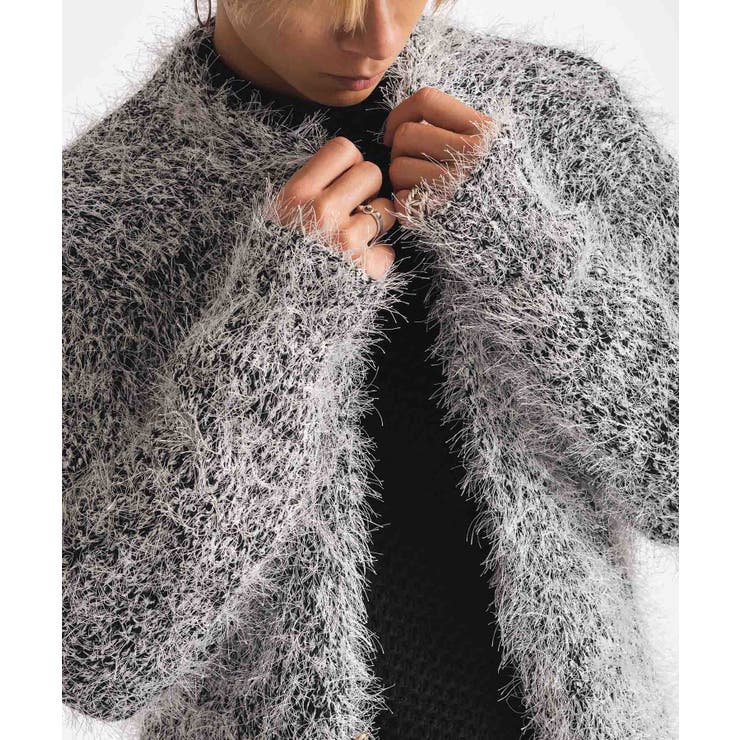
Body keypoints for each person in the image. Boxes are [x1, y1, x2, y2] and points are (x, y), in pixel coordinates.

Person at [62, 1, 679, 739]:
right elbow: (97, 659)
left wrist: (524, 248)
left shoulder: (560, 114)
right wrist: (279, 328)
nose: (380, 33)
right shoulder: (94, 213)